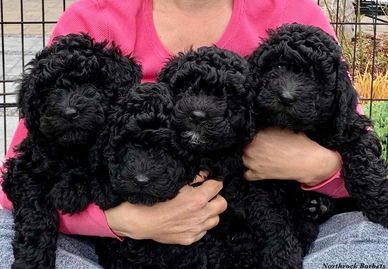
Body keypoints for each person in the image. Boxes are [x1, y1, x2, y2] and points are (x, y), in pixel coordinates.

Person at [0, 0, 387, 268]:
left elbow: (350, 133)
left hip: (268, 214)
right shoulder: (94, 16)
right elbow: (16, 180)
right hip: (111, 222)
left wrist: (318, 167)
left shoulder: (294, 11)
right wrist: (120, 222)